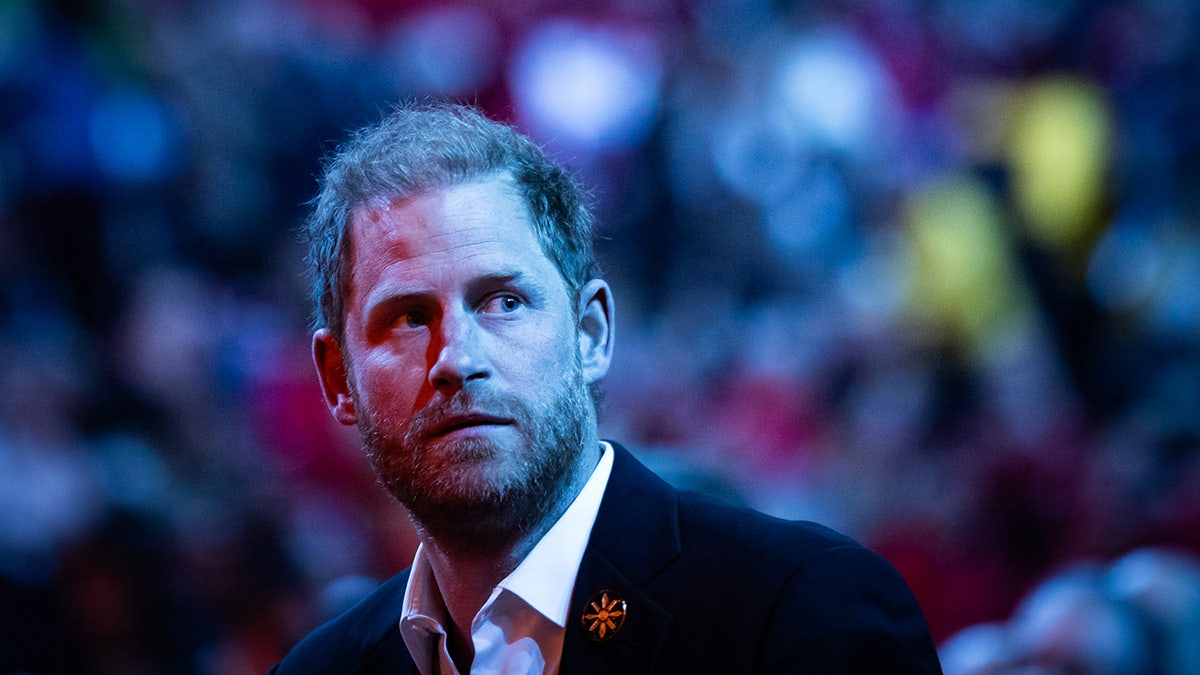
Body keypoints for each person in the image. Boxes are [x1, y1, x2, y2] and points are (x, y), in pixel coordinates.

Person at [270, 102, 942, 674]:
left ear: (590, 334)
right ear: (339, 379)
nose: (458, 357)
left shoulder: (803, 611)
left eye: (503, 300)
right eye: (409, 317)